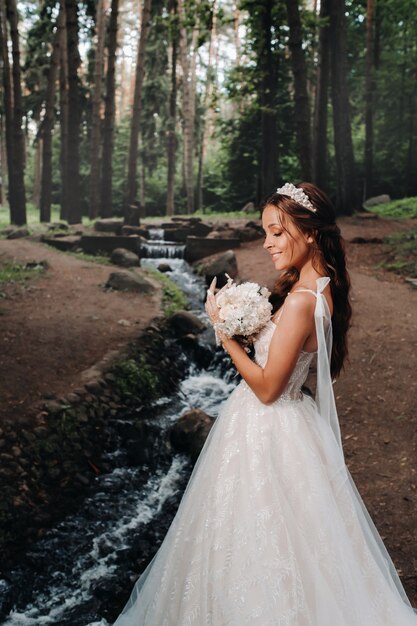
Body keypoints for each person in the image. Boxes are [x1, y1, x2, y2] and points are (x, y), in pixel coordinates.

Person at [113, 182, 417, 625]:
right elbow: (287, 358)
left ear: (310, 232)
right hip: (293, 426)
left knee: (256, 540)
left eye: (277, 232)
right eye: (265, 232)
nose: (267, 242)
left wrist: (222, 332)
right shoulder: (318, 290)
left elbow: (268, 387)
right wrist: (251, 327)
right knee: (294, 544)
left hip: (268, 424)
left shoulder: (300, 301)